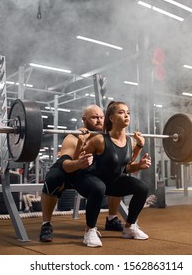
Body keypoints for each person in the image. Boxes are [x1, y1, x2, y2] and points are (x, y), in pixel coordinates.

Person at [39, 104, 128, 242]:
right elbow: (67, 166)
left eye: (101, 117)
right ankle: (46, 224)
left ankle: (111, 219)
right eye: (94, 117)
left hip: (87, 174)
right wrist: (79, 162)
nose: (99, 120)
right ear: (84, 119)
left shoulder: (107, 137)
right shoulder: (73, 137)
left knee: (117, 174)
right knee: (53, 178)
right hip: (69, 171)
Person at [74, 101, 151, 247]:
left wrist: (139, 155)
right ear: (111, 118)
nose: (126, 115)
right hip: (88, 180)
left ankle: (129, 227)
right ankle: (90, 230)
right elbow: (78, 161)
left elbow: (125, 166)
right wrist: (81, 143)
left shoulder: (129, 141)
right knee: (99, 187)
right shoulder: (99, 140)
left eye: (128, 112)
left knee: (142, 187)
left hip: (111, 182)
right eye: (121, 112)